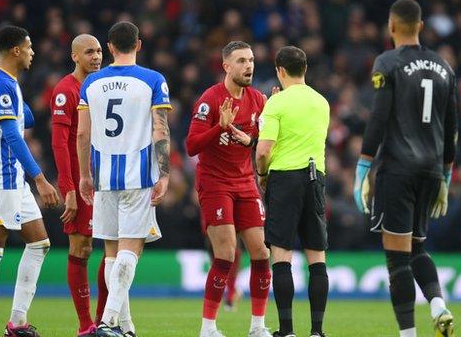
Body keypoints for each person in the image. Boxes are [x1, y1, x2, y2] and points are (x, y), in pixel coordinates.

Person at [352, 0, 457, 337]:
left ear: (391, 26)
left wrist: (363, 167)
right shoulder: (445, 67)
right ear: (421, 27)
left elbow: (379, 118)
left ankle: (408, 334)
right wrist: (446, 174)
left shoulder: (388, 62)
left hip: (398, 169)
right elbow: (452, 126)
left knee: (397, 259)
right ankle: (438, 303)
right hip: (430, 171)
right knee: (418, 248)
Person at [77, 21, 171, 337]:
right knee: (131, 249)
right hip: (138, 176)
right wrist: (165, 173)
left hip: (103, 177)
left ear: (111, 47)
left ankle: (126, 327)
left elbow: (82, 133)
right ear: (139, 45)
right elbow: (160, 129)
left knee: (112, 254)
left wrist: (84, 176)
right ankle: (108, 322)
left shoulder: (90, 83)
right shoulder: (153, 80)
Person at [0, 25, 59, 337]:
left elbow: (22, 122)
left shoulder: (8, 82)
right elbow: (10, 134)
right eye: (30, 46)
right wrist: (40, 178)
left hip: (13, 179)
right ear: (17, 50)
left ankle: (17, 322)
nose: (34, 52)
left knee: (39, 243)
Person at [186, 40, 272, 337]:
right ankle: (208, 328)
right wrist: (219, 128)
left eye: (250, 60)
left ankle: (257, 326)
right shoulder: (210, 99)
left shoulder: (259, 99)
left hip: (245, 181)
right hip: (215, 182)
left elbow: (262, 139)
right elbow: (191, 146)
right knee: (225, 253)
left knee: (261, 252)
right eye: (241, 61)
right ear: (226, 66)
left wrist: (273, 119)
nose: (248, 65)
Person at [256, 46, 331, 337]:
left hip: (285, 179)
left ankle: (286, 330)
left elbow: (263, 151)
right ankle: (317, 331)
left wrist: (262, 175)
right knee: (317, 258)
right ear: (305, 69)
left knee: (282, 256)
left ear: (280, 71)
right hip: (316, 178)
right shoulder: (322, 102)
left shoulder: (275, 104)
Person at [49, 34, 111, 337]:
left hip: (109, 179)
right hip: (81, 181)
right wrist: (69, 190)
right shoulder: (65, 91)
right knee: (82, 247)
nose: (96, 57)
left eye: (99, 51)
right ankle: (86, 324)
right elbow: (60, 145)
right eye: (89, 52)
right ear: (75, 56)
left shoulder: (103, 87)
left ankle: (102, 321)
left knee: (113, 247)